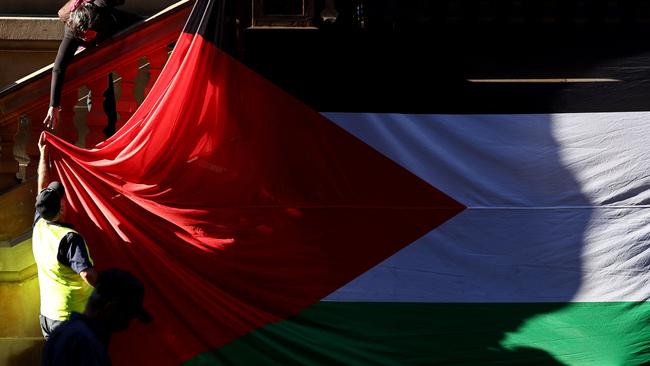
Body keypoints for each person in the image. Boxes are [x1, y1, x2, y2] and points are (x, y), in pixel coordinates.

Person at [33, 132, 98, 339]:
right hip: (69, 318)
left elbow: (42, 187)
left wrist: (43, 154)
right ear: (61, 208)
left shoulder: (40, 224)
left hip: (47, 316)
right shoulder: (69, 238)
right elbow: (87, 274)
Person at [43, 0, 142, 129]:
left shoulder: (106, 15)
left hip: (112, 24)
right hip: (92, 44)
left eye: (89, 35)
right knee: (101, 88)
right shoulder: (72, 29)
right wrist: (53, 105)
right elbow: (58, 68)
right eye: (83, 36)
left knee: (143, 23)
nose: (86, 38)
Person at [41, 268, 153, 366]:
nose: (127, 325)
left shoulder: (64, 332)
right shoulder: (86, 344)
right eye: (127, 317)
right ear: (111, 309)